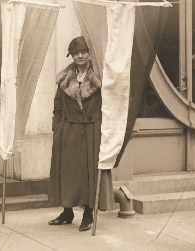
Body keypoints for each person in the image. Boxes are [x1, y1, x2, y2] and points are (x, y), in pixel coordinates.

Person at [48, 36, 114, 232]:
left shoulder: (100, 78)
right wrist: (56, 127)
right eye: (76, 53)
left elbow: (108, 106)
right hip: (67, 132)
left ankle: (88, 214)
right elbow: (57, 106)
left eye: (83, 52)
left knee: (89, 174)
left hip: (92, 131)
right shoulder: (64, 79)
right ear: (72, 56)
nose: (80, 55)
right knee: (67, 173)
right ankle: (67, 212)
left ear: (89, 53)